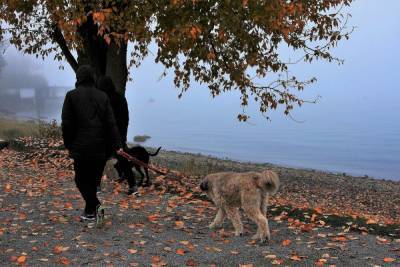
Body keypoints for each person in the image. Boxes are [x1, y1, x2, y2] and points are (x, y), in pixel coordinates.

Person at [61, 65, 122, 221]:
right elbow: (111, 123)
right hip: (101, 148)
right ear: (92, 78)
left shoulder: (71, 96)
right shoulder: (103, 96)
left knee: (81, 180)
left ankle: (95, 208)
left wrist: (69, 144)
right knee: (93, 181)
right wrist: (117, 145)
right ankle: (91, 212)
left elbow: (67, 124)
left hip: (81, 147)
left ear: (78, 78)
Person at [97, 76, 138, 195]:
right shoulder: (121, 98)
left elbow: (103, 119)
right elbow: (126, 118)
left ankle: (96, 186)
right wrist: (123, 136)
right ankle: (133, 185)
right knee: (123, 160)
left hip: (106, 136)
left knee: (100, 160)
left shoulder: (103, 99)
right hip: (119, 135)